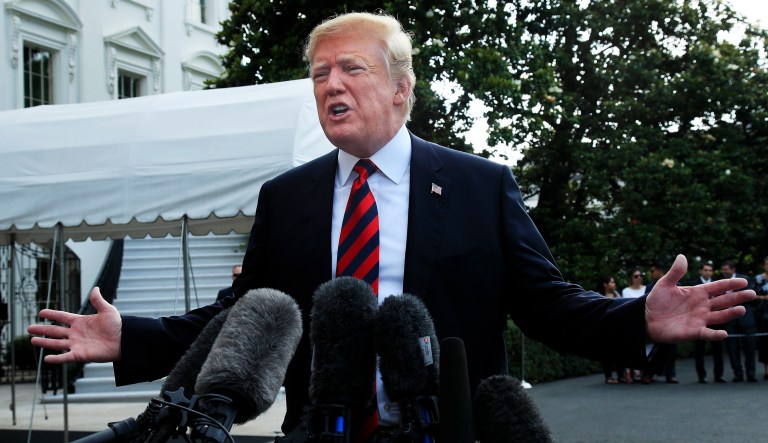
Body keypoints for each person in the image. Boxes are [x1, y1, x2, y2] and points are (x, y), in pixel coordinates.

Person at [28, 12, 755, 437]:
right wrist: (134, 336)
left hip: (448, 429)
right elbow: (240, 318)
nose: (331, 85)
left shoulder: (480, 185)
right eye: (318, 74)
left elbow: (547, 305)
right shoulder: (287, 198)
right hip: (324, 431)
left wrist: (637, 319)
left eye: (351, 69)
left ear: (402, 89)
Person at [720, 260, 757, 382]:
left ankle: (751, 373)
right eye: (723, 270)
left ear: (733, 269)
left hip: (746, 319)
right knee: (732, 348)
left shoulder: (744, 280)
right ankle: (738, 373)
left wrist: (732, 301)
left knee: (749, 347)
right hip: (729, 320)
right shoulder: (720, 282)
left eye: (726, 269)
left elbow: (750, 296)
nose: (724, 272)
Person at [690, 262, 726, 383]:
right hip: (698, 320)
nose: (708, 272)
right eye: (705, 270)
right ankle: (701, 376)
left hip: (715, 318)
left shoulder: (717, 283)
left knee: (718, 349)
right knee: (699, 349)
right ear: (700, 271)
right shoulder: (693, 284)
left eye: (710, 270)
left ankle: (718, 375)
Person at [644, 260, 678, 384]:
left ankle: (671, 374)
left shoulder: (675, 284)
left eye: (652, 271)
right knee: (652, 350)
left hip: (671, 322)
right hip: (654, 322)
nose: (650, 274)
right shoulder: (649, 287)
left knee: (670, 350)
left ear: (660, 271)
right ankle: (649, 374)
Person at [596, 275, 624, 384]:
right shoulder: (599, 297)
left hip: (618, 328)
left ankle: (621, 376)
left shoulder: (617, 295)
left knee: (620, 353)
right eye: (612, 282)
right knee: (606, 354)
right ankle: (608, 377)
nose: (614, 284)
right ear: (605, 284)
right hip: (605, 328)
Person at [753, 257, 768, 379]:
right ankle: (766, 369)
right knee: (764, 342)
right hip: (762, 315)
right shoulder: (758, 278)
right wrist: (763, 298)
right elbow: (752, 295)